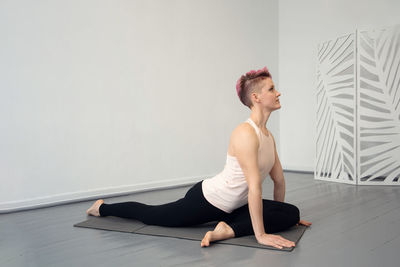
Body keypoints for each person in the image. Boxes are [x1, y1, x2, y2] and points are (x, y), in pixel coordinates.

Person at [86, 66, 312, 249]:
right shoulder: (245, 133)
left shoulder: (268, 136)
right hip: (209, 200)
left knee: (292, 213)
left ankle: (227, 229)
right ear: (256, 97)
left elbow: (279, 180)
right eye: (272, 89)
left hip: (237, 205)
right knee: (152, 214)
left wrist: (280, 216)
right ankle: (102, 208)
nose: (278, 92)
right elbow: (254, 187)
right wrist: (261, 234)